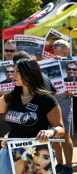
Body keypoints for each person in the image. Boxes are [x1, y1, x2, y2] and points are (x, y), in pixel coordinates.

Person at [0, 58, 64, 174]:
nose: (13, 74)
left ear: (29, 73)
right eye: (13, 71)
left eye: (17, 71)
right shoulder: (12, 97)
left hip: (36, 154)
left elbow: (61, 129)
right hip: (9, 152)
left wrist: (50, 132)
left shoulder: (47, 100)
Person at [51, 39, 74, 174]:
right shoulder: (47, 62)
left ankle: (69, 165)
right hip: (51, 102)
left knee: (66, 134)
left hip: (65, 100)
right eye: (64, 52)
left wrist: (73, 91)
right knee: (54, 135)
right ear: (56, 51)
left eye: (67, 52)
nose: (66, 55)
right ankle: (59, 163)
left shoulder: (71, 64)